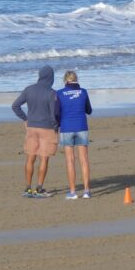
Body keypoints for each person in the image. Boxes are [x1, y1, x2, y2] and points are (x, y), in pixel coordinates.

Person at [11, 65, 60, 198]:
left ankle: (28, 188)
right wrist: (56, 127)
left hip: (32, 127)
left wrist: (25, 119)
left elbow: (15, 106)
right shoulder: (52, 93)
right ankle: (39, 188)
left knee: (30, 157)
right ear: (51, 78)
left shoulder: (29, 89)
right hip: (47, 128)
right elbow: (53, 114)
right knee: (43, 159)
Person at [56, 70, 92, 200]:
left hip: (66, 128)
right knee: (84, 159)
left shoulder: (59, 93)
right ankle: (87, 191)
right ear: (76, 79)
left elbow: (57, 113)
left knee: (70, 160)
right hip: (81, 126)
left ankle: (73, 192)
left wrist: (56, 125)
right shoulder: (83, 92)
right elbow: (89, 110)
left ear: (65, 81)